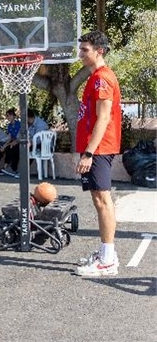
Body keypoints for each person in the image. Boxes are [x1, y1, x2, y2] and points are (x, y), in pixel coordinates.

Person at [74, 30, 122, 277]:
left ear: (99, 51)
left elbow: (103, 118)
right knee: (99, 200)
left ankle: (107, 260)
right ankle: (107, 253)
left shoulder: (102, 78)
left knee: (103, 201)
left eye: (85, 50)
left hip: (100, 149)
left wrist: (89, 153)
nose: (80, 54)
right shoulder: (95, 77)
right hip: (96, 148)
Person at [0, 108, 21, 178]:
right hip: (13, 140)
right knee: (7, 148)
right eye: (7, 116)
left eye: (8, 116)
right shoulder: (9, 126)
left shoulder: (19, 124)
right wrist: (5, 145)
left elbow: (19, 136)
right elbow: (10, 137)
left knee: (14, 149)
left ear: (13, 116)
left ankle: (13, 168)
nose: (7, 117)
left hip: (19, 141)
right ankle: (5, 166)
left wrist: (14, 143)